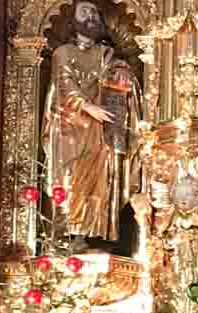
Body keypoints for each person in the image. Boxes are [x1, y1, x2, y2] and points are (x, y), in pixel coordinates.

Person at [42, 1, 139, 250]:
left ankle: (94, 234)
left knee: (102, 177)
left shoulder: (106, 55)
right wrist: (88, 107)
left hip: (102, 129)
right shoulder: (62, 52)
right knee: (70, 177)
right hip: (70, 125)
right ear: (73, 22)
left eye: (95, 12)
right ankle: (69, 235)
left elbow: (116, 71)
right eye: (85, 12)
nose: (91, 16)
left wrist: (123, 70)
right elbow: (65, 83)